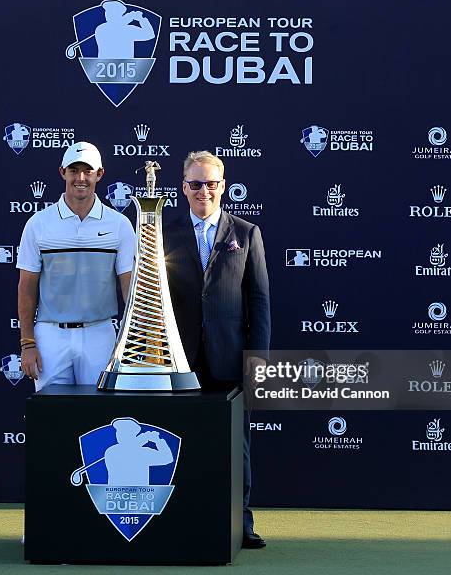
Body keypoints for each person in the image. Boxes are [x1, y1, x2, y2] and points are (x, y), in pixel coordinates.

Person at [163, 150, 271, 549]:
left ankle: (241, 522)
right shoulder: (162, 232)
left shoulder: (246, 234)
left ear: (222, 186)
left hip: (231, 358)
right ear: (183, 187)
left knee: (235, 446)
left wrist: (257, 363)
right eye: (195, 184)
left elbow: (259, 302)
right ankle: (181, 517)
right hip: (179, 361)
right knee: (177, 442)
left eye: (210, 183)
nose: (203, 191)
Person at [16, 141, 135, 391]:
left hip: (100, 334)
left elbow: (130, 287)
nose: (80, 178)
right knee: (52, 417)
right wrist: (27, 344)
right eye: (74, 170)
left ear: (99, 174)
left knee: (99, 418)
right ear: (62, 172)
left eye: (88, 171)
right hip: (50, 336)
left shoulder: (120, 225)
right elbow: (27, 288)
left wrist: (133, 343)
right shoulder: (38, 224)